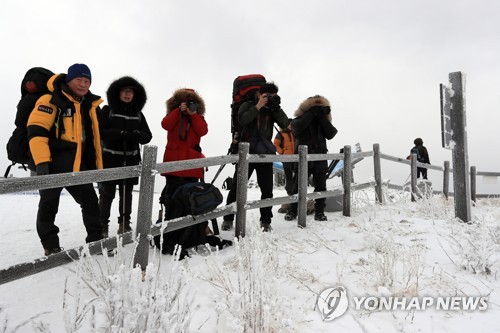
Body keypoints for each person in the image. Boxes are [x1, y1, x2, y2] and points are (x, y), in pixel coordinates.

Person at [27, 63, 104, 255]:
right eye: (79, 79)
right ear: (69, 80)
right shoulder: (51, 99)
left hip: (79, 166)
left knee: (91, 203)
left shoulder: (89, 104)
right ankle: (51, 247)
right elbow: (36, 131)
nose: (83, 84)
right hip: (52, 165)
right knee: (48, 206)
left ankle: (95, 242)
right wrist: (42, 162)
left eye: (87, 81)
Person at [221, 82, 289, 232]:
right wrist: (257, 106)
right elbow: (242, 120)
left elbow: (285, 124)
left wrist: (276, 108)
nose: (270, 99)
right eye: (267, 96)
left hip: (265, 153)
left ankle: (265, 221)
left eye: (273, 96)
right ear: (259, 94)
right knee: (238, 187)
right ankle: (228, 218)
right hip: (247, 153)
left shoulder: (272, 109)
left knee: (267, 189)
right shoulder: (247, 105)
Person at [98, 76, 152, 237]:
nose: (128, 94)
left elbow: (147, 136)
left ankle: (124, 224)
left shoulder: (138, 114)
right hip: (109, 159)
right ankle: (102, 226)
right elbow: (100, 132)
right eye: (124, 91)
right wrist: (120, 133)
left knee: (126, 194)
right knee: (107, 194)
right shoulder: (108, 110)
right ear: (118, 92)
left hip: (131, 160)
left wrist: (135, 134)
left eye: (131, 91)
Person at [284, 95, 338, 222]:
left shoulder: (322, 121)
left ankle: (319, 212)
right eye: (314, 108)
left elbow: (331, 134)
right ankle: (292, 210)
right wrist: (311, 114)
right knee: (297, 185)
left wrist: (321, 117)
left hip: (320, 157)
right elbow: (297, 129)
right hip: (303, 158)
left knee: (321, 186)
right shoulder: (299, 119)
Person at [160, 88, 208, 219]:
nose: (188, 106)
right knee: (171, 198)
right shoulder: (174, 116)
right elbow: (165, 125)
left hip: (192, 166)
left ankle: (188, 232)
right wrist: (177, 111)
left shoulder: (198, 118)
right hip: (173, 165)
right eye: (185, 103)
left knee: (190, 199)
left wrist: (193, 115)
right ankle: (170, 227)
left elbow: (203, 131)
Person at [274, 120, 296, 213]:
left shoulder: (295, 133)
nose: (290, 126)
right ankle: (290, 193)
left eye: (291, 124)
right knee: (289, 177)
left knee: (298, 176)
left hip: (296, 157)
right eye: (289, 124)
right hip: (286, 158)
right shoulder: (280, 134)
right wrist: (282, 152)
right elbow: (275, 144)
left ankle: (293, 192)